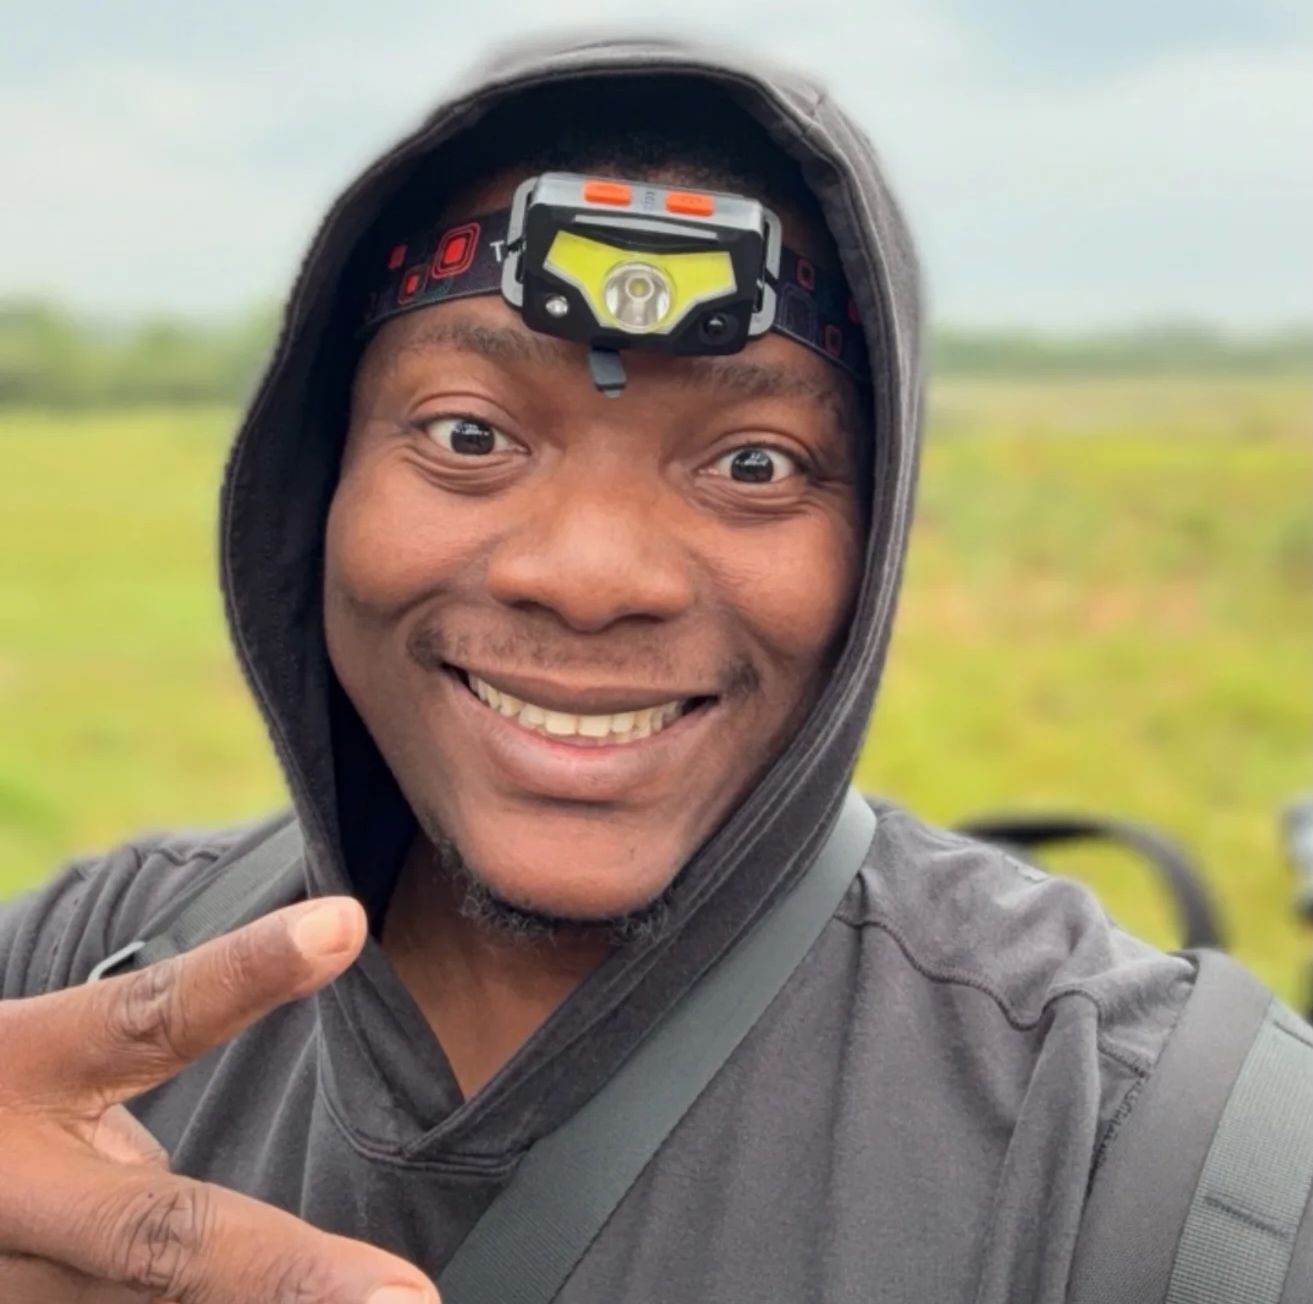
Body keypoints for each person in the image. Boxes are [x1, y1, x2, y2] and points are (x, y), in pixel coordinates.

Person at [0, 33, 1307, 1304]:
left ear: (873, 539)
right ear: (313, 483)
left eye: (753, 464)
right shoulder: (67, 974)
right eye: (468, 433)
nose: (588, 577)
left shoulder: (1170, 1164)